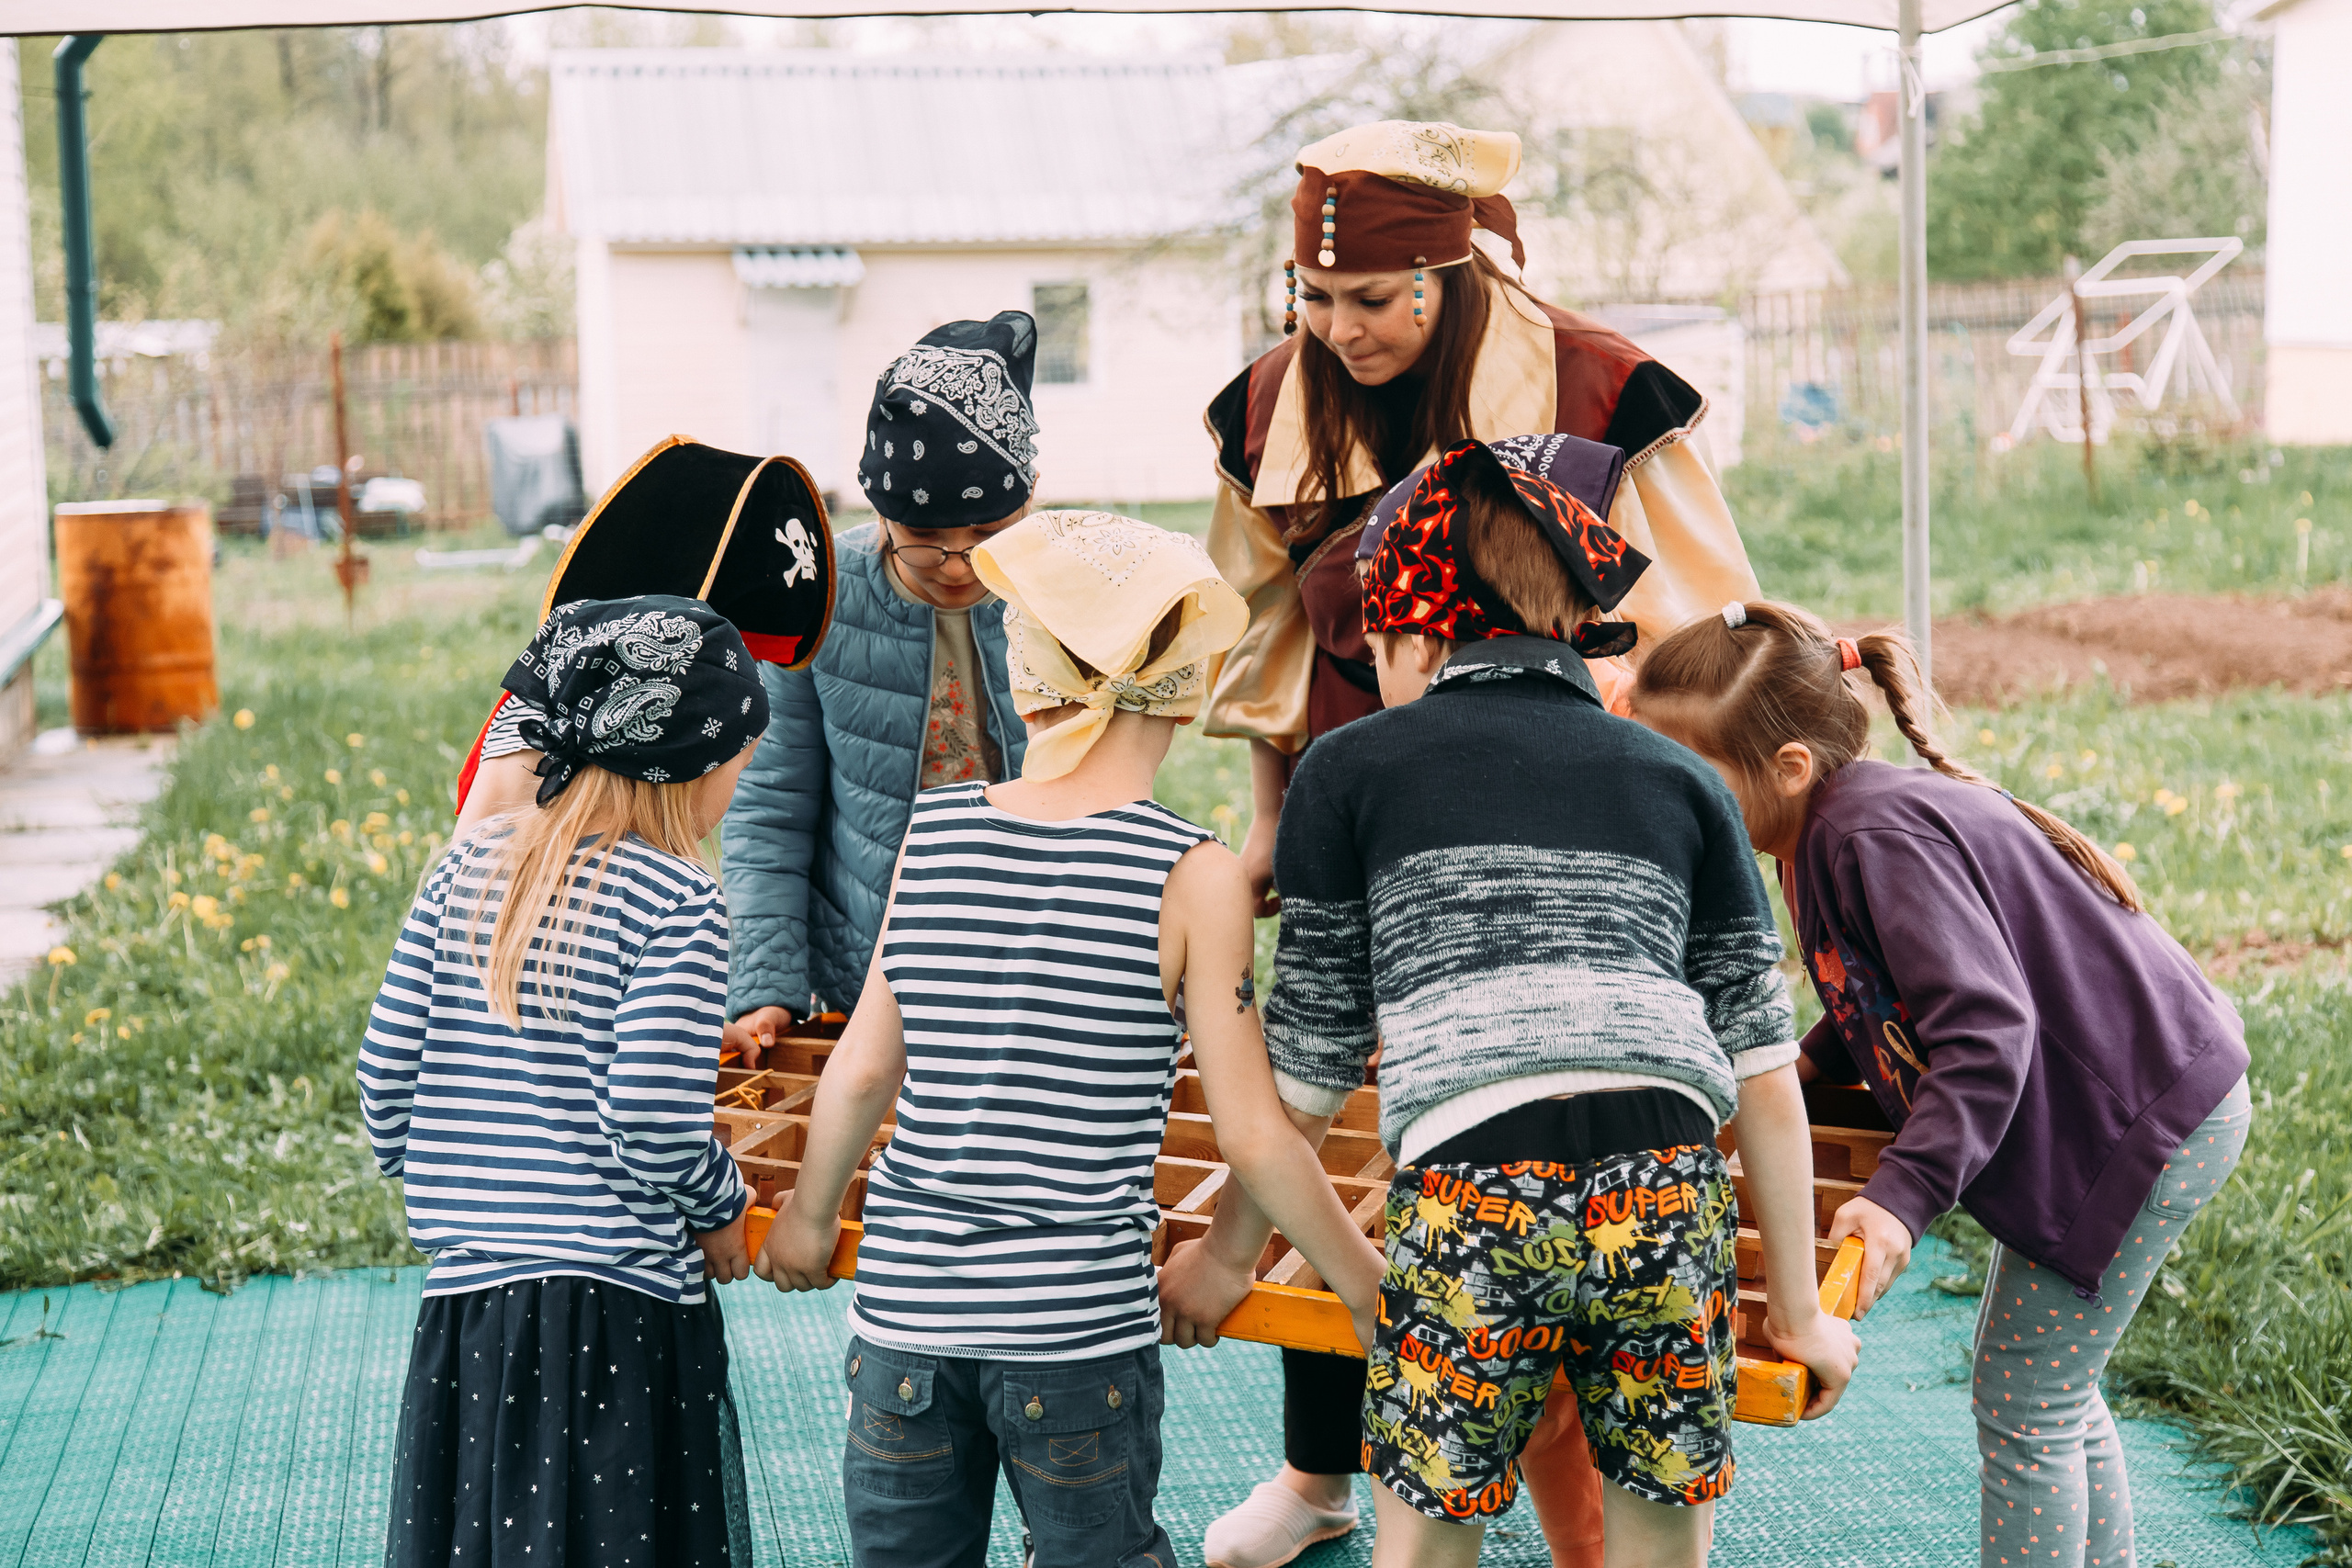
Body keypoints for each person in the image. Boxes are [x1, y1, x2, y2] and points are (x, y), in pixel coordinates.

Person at [1176, 117, 1764, 1568]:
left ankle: (1570, 1493)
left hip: (1566, 793)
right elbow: (1259, 637)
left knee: (1504, 1144)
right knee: (1357, 1126)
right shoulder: (1272, 405)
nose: (1337, 330)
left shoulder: (1599, 390)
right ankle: (1325, 1468)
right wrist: (1268, 823)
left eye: (1370, 301)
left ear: (1450, 271)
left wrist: (1559, 770)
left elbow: (1697, 634)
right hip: (1361, 799)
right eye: (1311, 301)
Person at [1243, 445, 1855, 1568]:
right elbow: (1763, 1071)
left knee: (1426, 1541)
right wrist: (1804, 1314)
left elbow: (1310, 1073)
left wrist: (1227, 1253)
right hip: (1668, 1187)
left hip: (1476, 1189)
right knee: (1662, 1540)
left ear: (1416, 636)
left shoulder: (1345, 769)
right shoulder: (1675, 778)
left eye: (1375, 648)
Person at [753, 511, 1387, 1568]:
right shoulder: (1193, 874)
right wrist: (1368, 1289)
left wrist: (810, 1219)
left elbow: (864, 1067)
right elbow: (1255, 1135)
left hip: (907, 1322)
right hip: (1075, 1335)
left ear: (1026, 679)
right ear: (1188, 689)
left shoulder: (938, 831)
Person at [1628, 600, 2252, 1568]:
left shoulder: (1871, 837)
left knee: (2023, 1398)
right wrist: (1804, 1066)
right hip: (2140, 1105)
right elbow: (1873, 987)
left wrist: (1897, 1203)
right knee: (2051, 1387)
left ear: (1786, 767)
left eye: (1685, 775)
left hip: (2145, 1120)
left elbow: (1985, 1033)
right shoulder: (1816, 830)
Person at [361, 595, 774, 1568]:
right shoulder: (678, 900)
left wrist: (445, 1172)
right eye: (740, 763)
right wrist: (720, 1208)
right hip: (613, 1315)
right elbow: (648, 1114)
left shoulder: (465, 864)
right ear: (696, 763)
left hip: (466, 1308)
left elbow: (385, 1078)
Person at [723, 311, 1046, 1057]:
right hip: (871, 975)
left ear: (1031, 496)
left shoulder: (1067, 592)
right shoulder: (822, 598)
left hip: (1028, 961)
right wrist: (767, 981)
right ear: (880, 513)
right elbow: (770, 808)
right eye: (928, 548)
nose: (962, 564)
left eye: (990, 539)